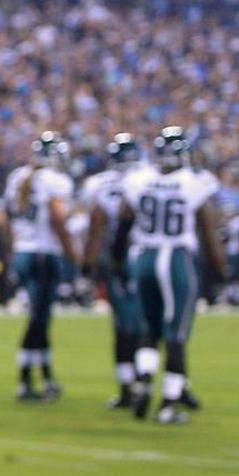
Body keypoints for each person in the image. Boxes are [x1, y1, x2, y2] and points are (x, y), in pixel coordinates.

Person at [117, 126, 226, 424]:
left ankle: (143, 380)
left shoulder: (139, 180)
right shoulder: (194, 182)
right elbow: (207, 230)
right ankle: (167, 405)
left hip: (145, 257)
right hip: (176, 258)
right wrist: (221, 271)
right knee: (176, 334)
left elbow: (123, 224)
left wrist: (116, 262)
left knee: (149, 331)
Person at [3, 131, 78, 401]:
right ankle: (25, 380)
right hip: (43, 254)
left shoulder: (17, 177)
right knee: (38, 320)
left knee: (40, 318)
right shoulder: (55, 180)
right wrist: (72, 253)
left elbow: (7, 218)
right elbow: (58, 219)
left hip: (23, 251)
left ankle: (46, 377)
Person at [81, 133, 154, 408]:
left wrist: (87, 266)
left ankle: (127, 387)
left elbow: (96, 227)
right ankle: (154, 381)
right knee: (149, 325)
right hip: (147, 256)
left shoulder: (100, 184)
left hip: (116, 260)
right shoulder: (150, 177)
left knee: (123, 326)